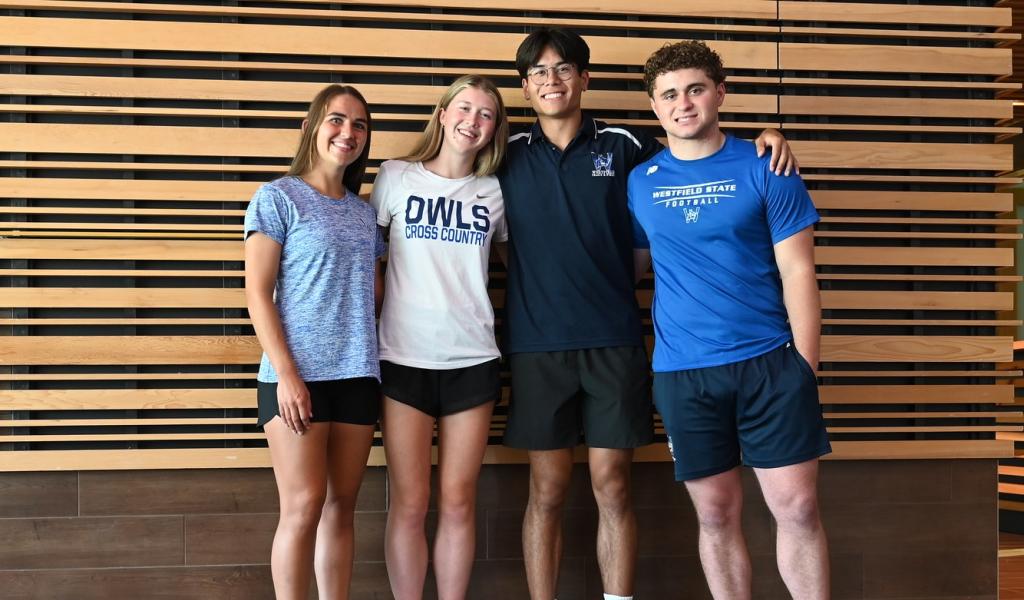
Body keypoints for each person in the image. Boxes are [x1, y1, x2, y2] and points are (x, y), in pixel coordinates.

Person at [496, 27, 797, 600]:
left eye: (564, 69)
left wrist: (768, 135)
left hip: (615, 341)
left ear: (584, 78)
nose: (551, 81)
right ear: (526, 86)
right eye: (538, 72)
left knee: (613, 486)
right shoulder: (506, 155)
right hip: (535, 345)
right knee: (547, 490)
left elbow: (701, 150)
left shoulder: (626, 144)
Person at [628, 40, 831, 600]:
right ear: (654, 106)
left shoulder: (767, 164)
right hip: (684, 374)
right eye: (669, 94)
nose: (683, 103)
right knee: (715, 516)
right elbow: (635, 270)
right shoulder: (640, 180)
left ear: (720, 93)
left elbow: (798, 272)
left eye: (695, 89)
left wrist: (804, 370)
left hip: (771, 365)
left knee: (798, 508)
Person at [370, 74, 509, 600]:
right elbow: (369, 261)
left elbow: (519, 267)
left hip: (473, 360)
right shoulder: (395, 178)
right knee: (409, 501)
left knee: (457, 500)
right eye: (465, 108)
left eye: (486, 114)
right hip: (403, 359)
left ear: (494, 129)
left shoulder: (496, 191)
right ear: (444, 114)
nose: (472, 121)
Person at [244, 84, 384, 600]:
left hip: (357, 374)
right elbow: (258, 294)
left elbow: (373, 291)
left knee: (341, 506)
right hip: (294, 378)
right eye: (336, 120)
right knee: (303, 505)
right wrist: (287, 375)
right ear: (310, 128)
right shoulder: (278, 196)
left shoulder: (364, 212)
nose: (348, 133)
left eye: (359, 125)